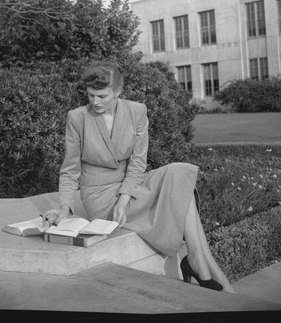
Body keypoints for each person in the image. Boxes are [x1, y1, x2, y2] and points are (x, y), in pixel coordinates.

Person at [44, 61, 235, 293]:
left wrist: (125, 198)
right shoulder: (77, 118)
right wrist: (64, 208)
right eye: (91, 95)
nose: (95, 102)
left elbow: (138, 162)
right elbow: (70, 169)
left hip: (129, 187)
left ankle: (195, 261)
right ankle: (199, 266)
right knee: (181, 196)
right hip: (101, 197)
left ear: (118, 92)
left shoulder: (137, 111)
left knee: (178, 172)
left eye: (102, 96)